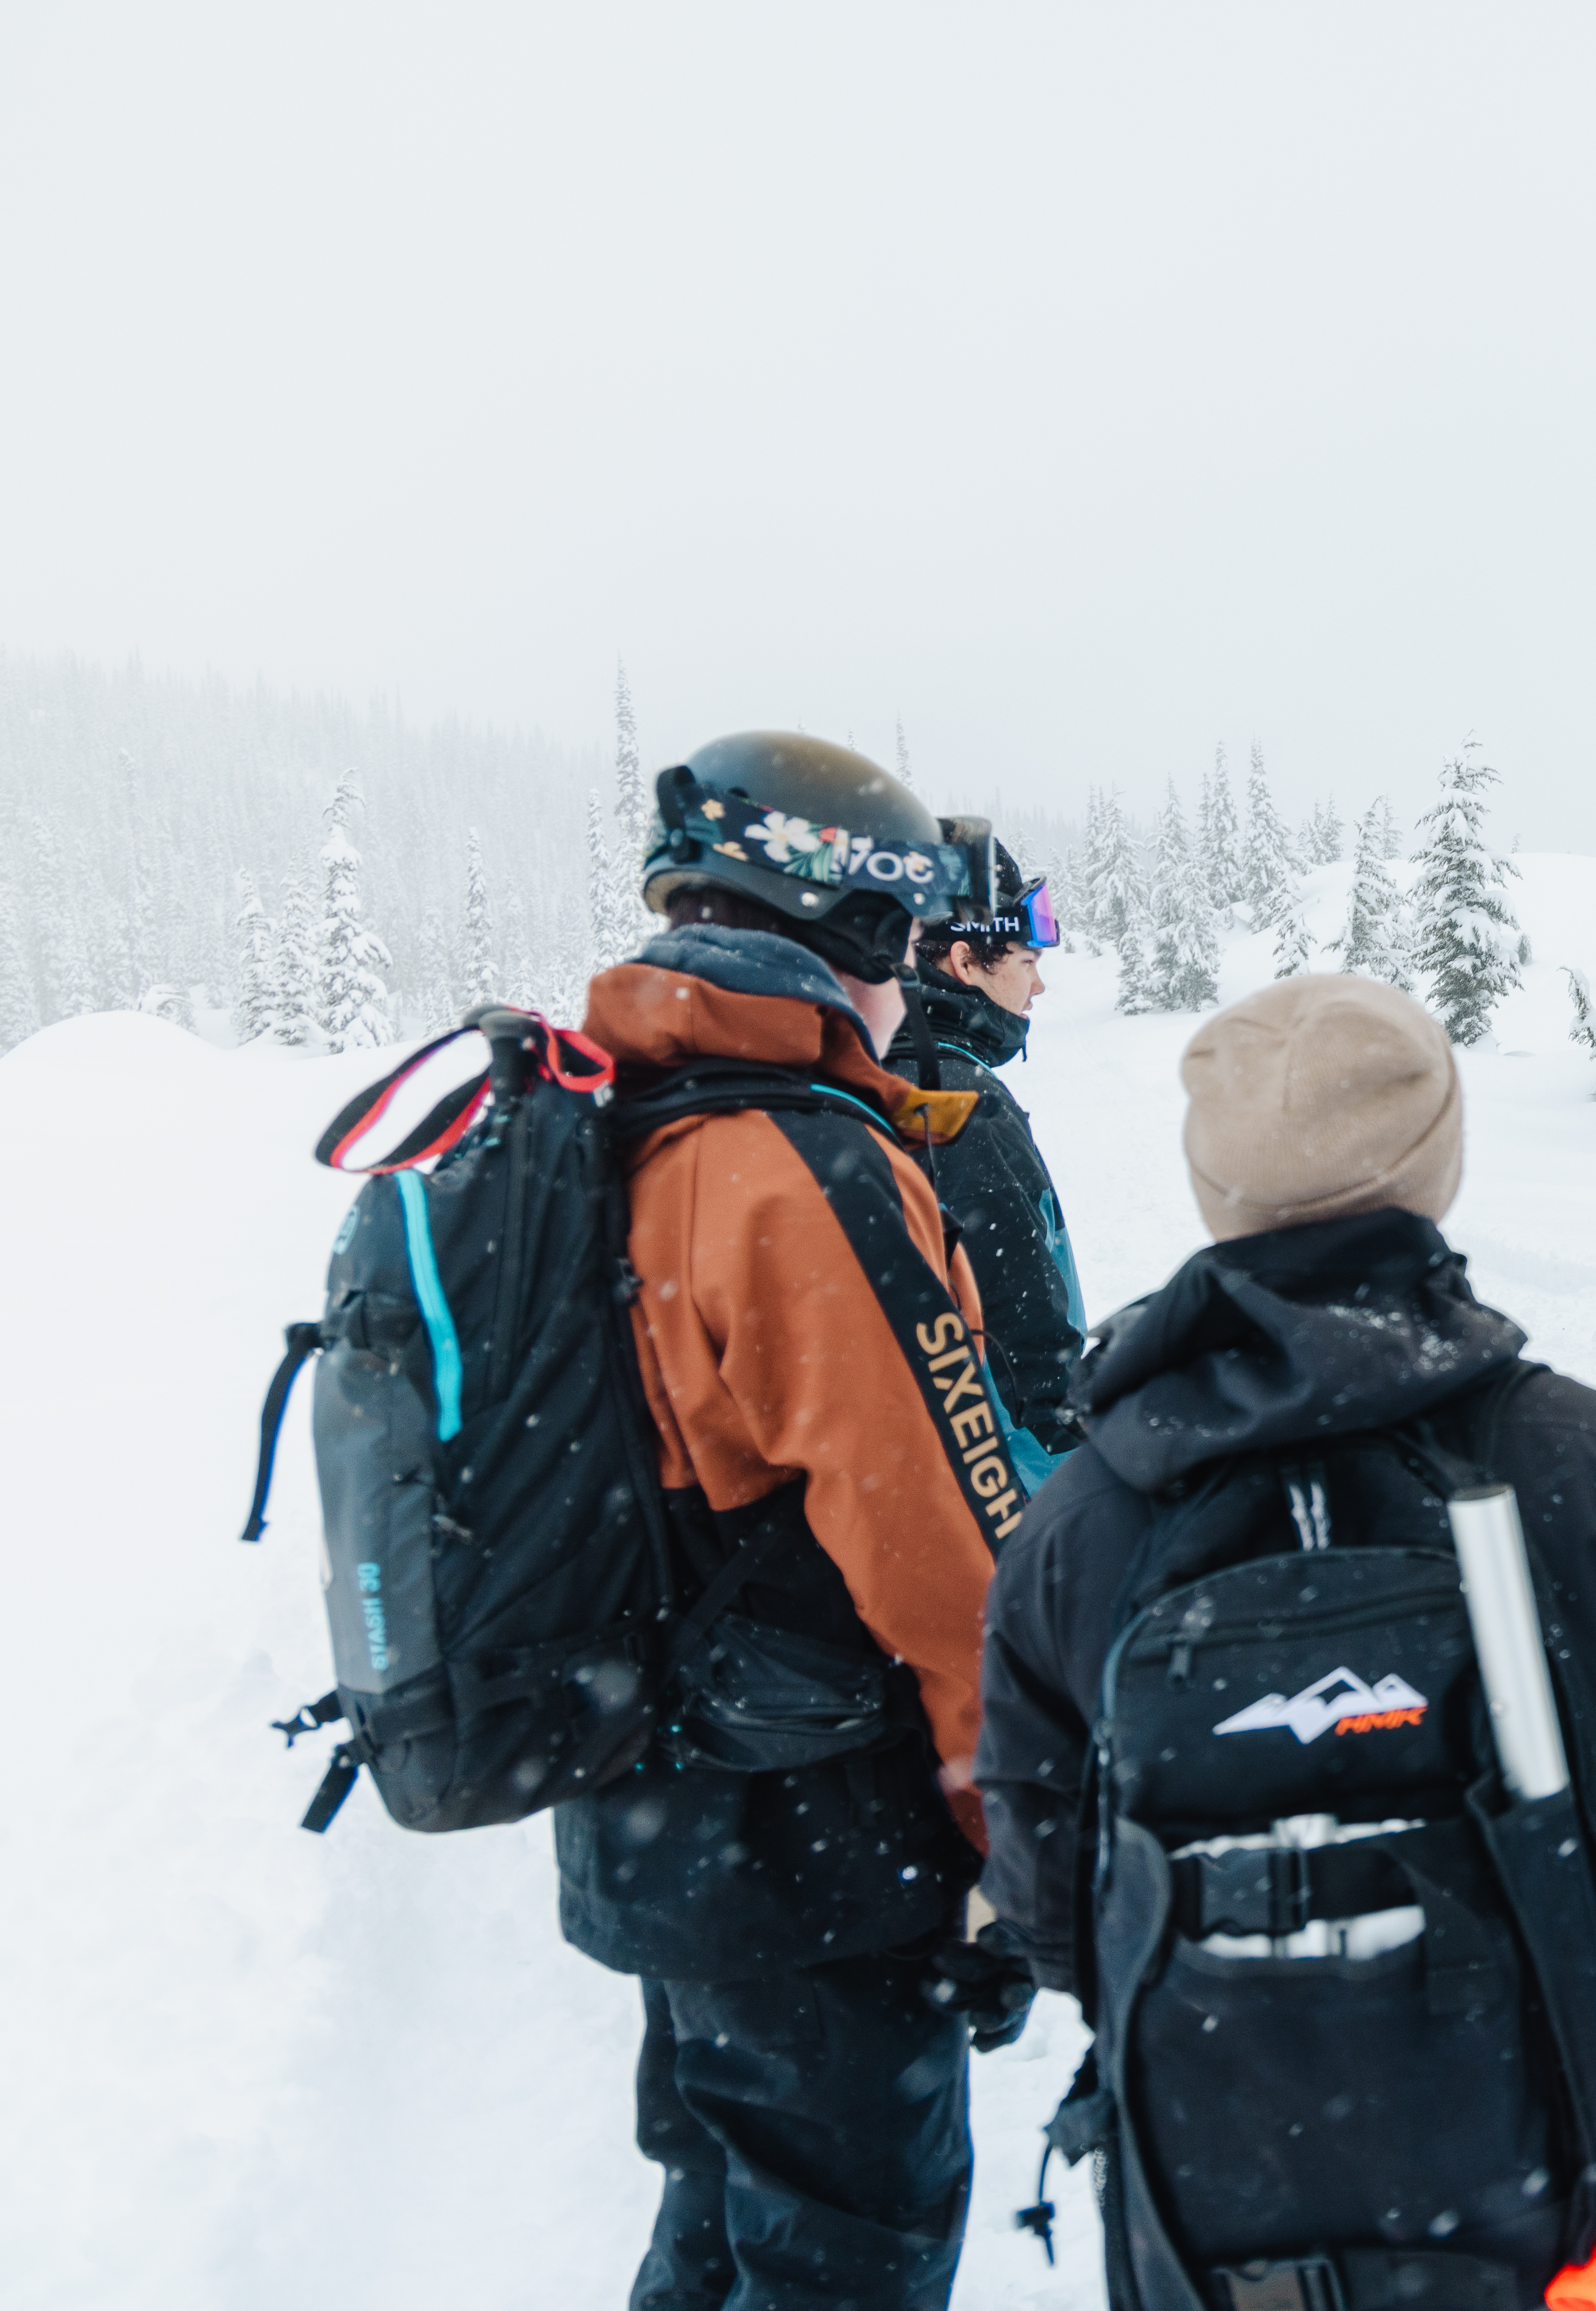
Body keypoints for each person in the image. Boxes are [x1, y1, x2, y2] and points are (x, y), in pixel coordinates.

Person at [977, 973, 1596, 2309]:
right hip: (1581, 2161)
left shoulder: (1085, 1516)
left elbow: (1048, 1894)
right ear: (1434, 1165)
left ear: (1213, 1186)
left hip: (1227, 2192)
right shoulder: (1577, 1453)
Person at [571, 732, 1030, 2311]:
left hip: (656, 1798)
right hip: (813, 1834)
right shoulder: (798, 1165)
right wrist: (1017, 1837)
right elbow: (943, 1551)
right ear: (852, 934)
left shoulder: (620, 1124)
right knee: (845, 2254)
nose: (908, 988)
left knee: (718, 2220)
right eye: (900, 946)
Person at [905, 833, 1086, 1481]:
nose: (1038, 984)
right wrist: (1070, 1473)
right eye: (1026, 960)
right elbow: (1015, 1332)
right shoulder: (954, 1101)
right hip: (1008, 1478)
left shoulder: (896, 1074)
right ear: (966, 961)